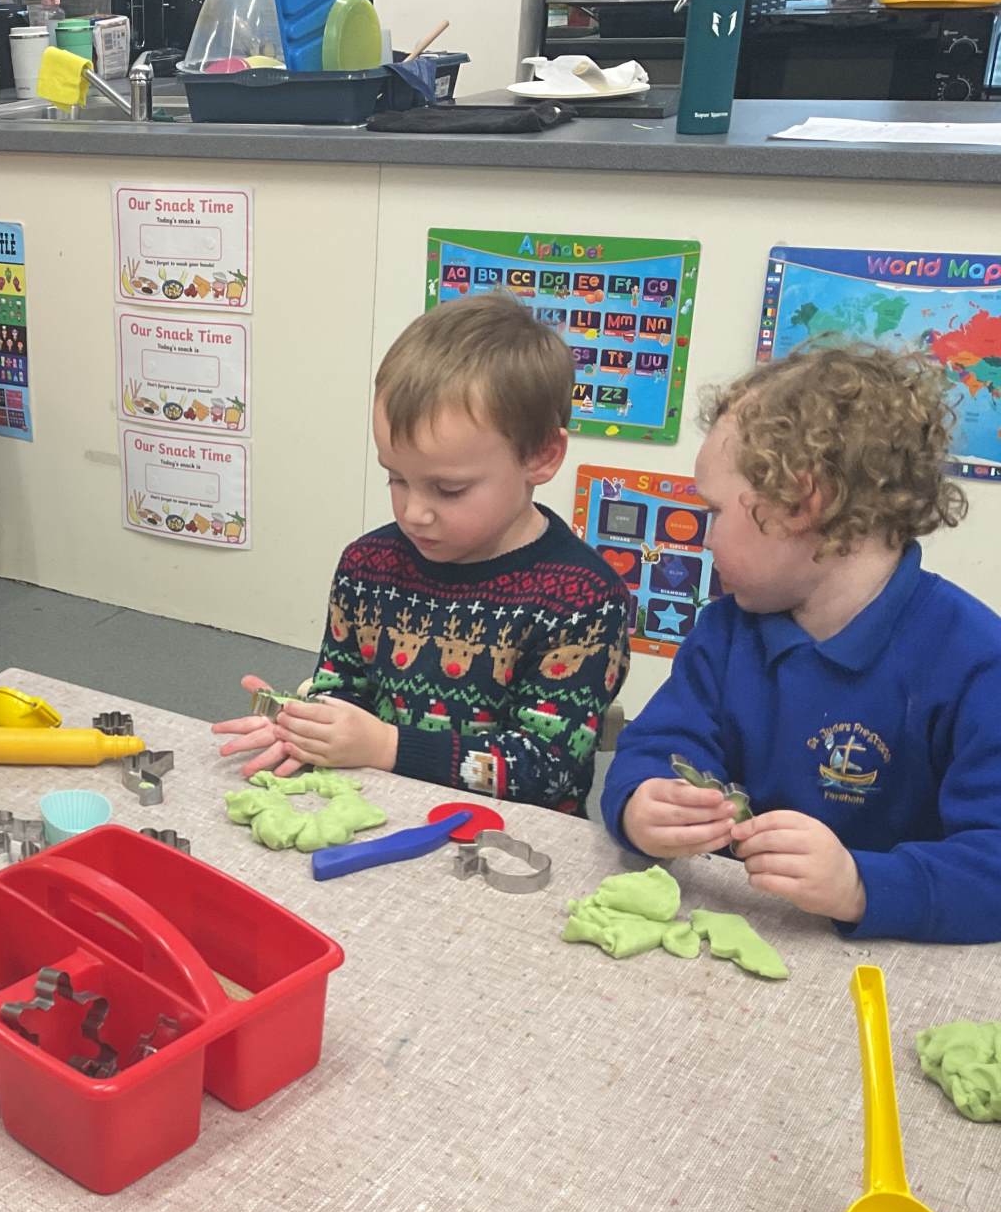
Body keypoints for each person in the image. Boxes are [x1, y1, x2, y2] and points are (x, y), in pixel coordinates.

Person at [603, 345, 1001, 943]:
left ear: (802, 504)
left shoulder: (976, 661)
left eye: (715, 511)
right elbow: (656, 746)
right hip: (729, 931)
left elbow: (992, 865)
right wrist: (641, 804)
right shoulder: (727, 631)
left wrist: (861, 885)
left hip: (890, 963)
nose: (705, 539)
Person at [214, 293, 634, 812]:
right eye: (396, 478)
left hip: (505, 834)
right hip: (377, 806)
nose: (414, 513)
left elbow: (546, 770)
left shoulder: (584, 599)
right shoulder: (366, 566)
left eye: (448, 489)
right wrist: (306, 724)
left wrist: (388, 746)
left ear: (541, 457)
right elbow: (343, 688)